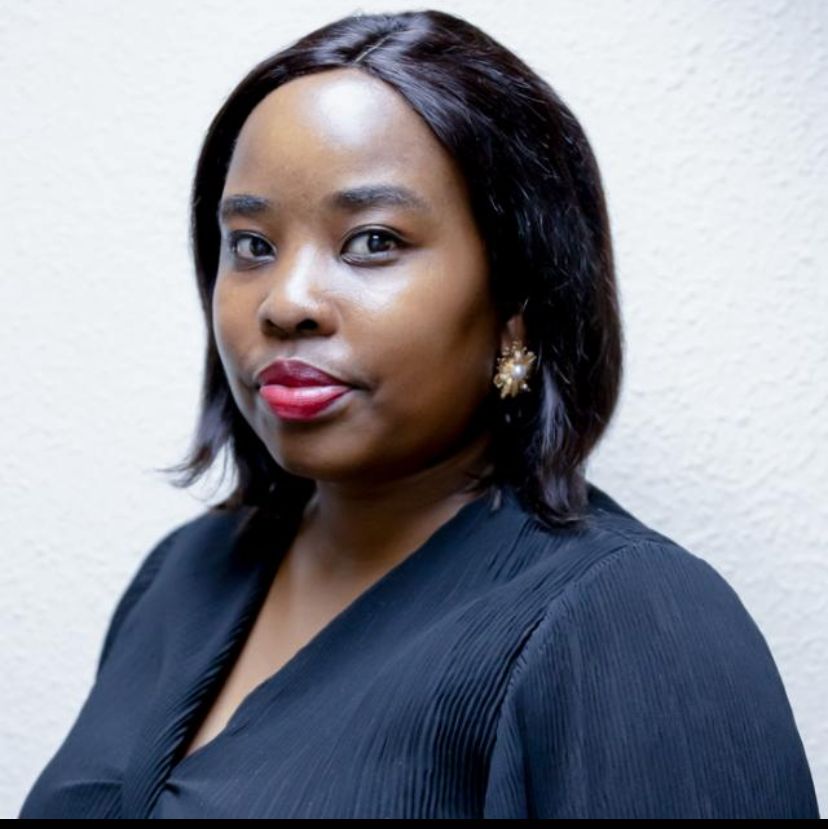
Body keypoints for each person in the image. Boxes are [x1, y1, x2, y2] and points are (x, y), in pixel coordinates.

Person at [18, 8, 819, 819]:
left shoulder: (631, 622)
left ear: (516, 299)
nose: (286, 302)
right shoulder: (183, 573)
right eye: (252, 245)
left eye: (372, 241)